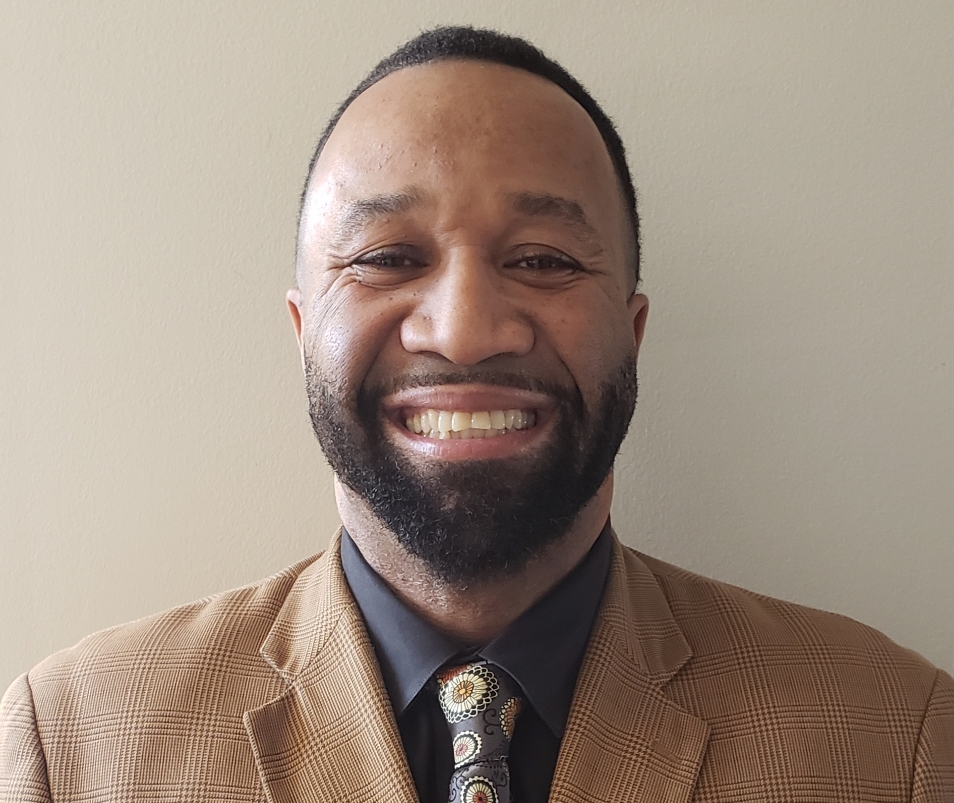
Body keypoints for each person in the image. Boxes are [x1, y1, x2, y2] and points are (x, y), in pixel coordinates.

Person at [2, 25, 952, 803]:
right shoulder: (72, 745)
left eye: (542, 260)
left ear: (632, 333)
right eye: (386, 258)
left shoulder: (896, 739)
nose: (463, 332)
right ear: (302, 331)